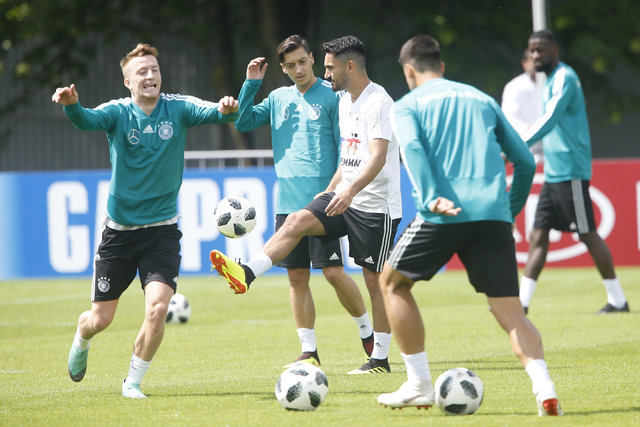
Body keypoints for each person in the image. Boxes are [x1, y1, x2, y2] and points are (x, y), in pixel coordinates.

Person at [376, 34, 563, 416]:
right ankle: (544, 386)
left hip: (443, 212)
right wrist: (508, 210)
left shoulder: (407, 105)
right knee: (511, 312)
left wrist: (430, 196)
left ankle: (418, 384)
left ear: (409, 71)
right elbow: (526, 161)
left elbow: (412, 149)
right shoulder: (482, 99)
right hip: (493, 215)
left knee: (391, 283)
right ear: (442, 66)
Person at [51, 43, 239, 398]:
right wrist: (72, 105)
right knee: (100, 320)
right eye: (142, 71)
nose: (151, 75)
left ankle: (133, 382)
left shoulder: (177, 108)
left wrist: (228, 109)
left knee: (157, 308)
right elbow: (87, 120)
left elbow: (216, 112)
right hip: (119, 236)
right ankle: (82, 336)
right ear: (128, 82)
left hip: (162, 232)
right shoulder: (117, 113)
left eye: (154, 69)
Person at [211, 35, 402, 374]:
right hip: (327, 194)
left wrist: (345, 190)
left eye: (308, 63)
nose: (304, 70)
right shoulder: (335, 100)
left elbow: (375, 157)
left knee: (357, 277)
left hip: (372, 204)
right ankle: (249, 275)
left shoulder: (361, 100)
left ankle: (377, 353)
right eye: (290, 65)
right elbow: (349, 156)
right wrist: (331, 191)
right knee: (296, 238)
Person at [518, 30, 629, 315]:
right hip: (554, 172)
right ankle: (521, 303)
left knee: (587, 233)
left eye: (541, 49)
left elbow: (549, 118)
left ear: (555, 50)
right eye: (532, 50)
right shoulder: (550, 80)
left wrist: (518, 145)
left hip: (570, 171)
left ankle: (618, 300)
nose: (535, 55)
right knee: (538, 234)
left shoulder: (565, 77)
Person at [501, 48, 543, 162]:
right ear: (525, 63)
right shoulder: (514, 86)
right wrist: (530, 128)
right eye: (533, 60)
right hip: (524, 149)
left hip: (550, 150)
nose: (537, 64)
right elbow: (508, 118)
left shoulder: (551, 84)